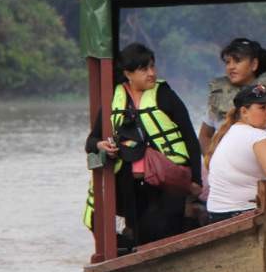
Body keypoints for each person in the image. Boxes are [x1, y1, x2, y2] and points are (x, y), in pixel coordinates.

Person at [84, 43, 202, 246]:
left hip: (167, 179)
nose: (151, 73)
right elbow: (91, 141)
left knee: (164, 230)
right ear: (128, 73)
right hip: (129, 185)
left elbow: (190, 136)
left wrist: (196, 179)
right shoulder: (113, 100)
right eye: (144, 69)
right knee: (138, 234)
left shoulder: (165, 95)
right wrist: (101, 145)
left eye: (152, 67)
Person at [199, 38, 266, 166]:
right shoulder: (219, 95)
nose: (231, 67)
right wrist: (212, 164)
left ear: (254, 64)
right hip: (228, 173)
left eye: (237, 61)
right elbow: (204, 135)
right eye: (228, 62)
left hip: (265, 170)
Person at [206, 84, 266, 222]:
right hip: (242, 215)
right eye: (262, 107)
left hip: (217, 214)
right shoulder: (258, 136)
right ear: (244, 112)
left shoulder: (231, 132)